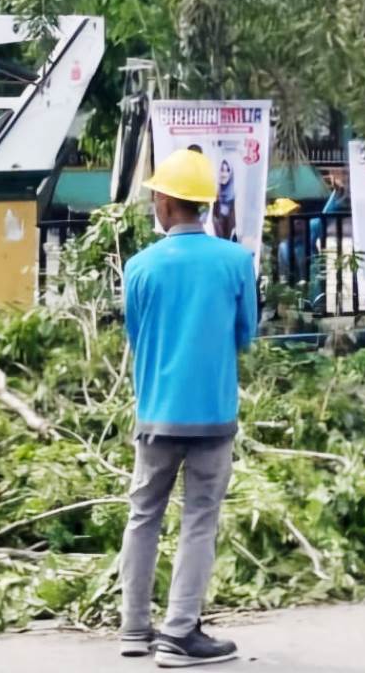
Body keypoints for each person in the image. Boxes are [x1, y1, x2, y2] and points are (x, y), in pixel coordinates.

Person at [119, 148, 258, 668]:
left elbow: (137, 333)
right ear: (203, 204)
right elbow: (246, 335)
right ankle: (180, 633)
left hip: (155, 413)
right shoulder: (236, 261)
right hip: (214, 415)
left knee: (143, 516)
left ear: (164, 200)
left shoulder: (139, 266)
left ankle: (135, 628)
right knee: (200, 519)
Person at [211, 159, 237, 241]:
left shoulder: (234, 198)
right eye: (222, 170)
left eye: (227, 170)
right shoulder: (213, 193)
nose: (224, 174)